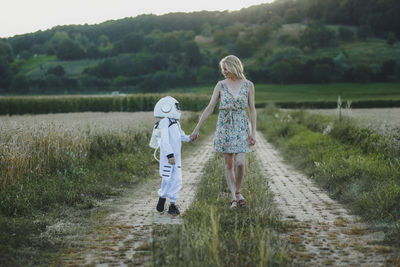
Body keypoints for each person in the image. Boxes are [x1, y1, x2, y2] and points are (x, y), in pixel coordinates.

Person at [191, 55, 256, 209]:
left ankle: (238, 191)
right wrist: (197, 128)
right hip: (225, 125)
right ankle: (234, 197)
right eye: (222, 69)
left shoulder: (248, 85)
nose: (224, 71)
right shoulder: (220, 85)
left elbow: (252, 110)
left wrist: (253, 133)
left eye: (226, 68)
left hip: (241, 125)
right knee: (229, 163)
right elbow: (210, 107)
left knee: (240, 163)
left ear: (234, 66)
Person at [152, 96, 192, 215]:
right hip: (168, 158)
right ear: (167, 108)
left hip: (176, 158)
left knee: (177, 180)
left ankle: (172, 204)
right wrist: (170, 156)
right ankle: (162, 198)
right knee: (167, 179)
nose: (178, 109)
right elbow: (164, 141)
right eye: (176, 107)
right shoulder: (165, 122)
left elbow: (182, 136)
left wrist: (190, 138)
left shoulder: (176, 123)